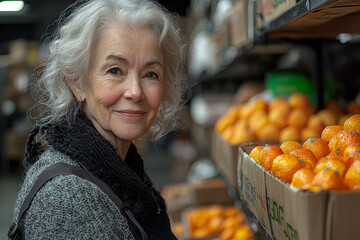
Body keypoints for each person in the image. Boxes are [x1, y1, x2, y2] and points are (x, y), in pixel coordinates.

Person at [9, 0, 189, 239]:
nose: (135, 91)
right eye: (115, 70)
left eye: (150, 74)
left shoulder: (120, 169)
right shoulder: (67, 199)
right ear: (76, 82)